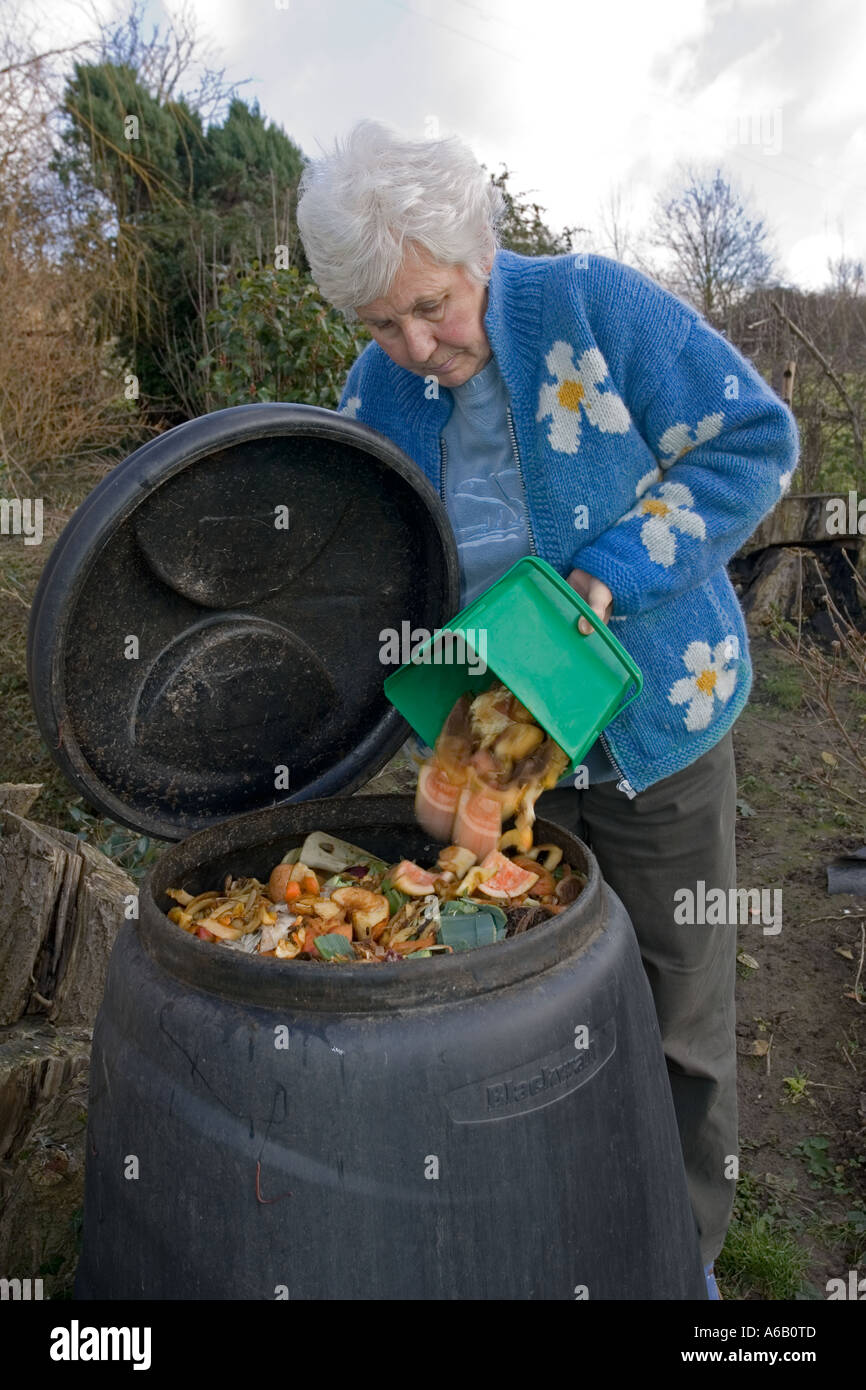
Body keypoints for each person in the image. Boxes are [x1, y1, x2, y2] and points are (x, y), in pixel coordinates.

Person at [296, 120, 799, 1299]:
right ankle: (549, 1238)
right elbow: (379, 554)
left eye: (431, 305)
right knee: (516, 1007)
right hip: (499, 736)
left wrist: (611, 569)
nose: (415, 347)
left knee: (675, 1015)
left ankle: (681, 1267)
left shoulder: (589, 304)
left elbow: (753, 440)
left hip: (652, 728)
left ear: (480, 251)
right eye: (380, 323)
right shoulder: (376, 387)